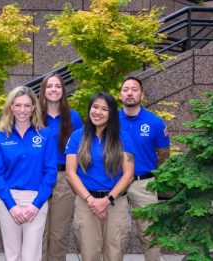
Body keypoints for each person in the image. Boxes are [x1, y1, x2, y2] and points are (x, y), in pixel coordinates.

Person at [65, 92, 135, 261]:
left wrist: (106, 200)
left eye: (104, 109)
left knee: (114, 254)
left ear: (111, 113)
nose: (98, 112)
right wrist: (91, 201)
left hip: (115, 202)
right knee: (89, 255)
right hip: (86, 203)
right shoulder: (77, 137)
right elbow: (70, 173)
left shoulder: (123, 137)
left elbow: (128, 175)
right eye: (95, 107)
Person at [0, 86, 57, 261]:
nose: (22, 110)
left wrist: (36, 204)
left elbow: (50, 173)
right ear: (11, 107)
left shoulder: (45, 135)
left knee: (31, 256)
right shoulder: (1, 136)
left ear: (34, 107)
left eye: (27, 106)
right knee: (12, 255)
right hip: (8, 200)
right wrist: (11, 205)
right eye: (18, 105)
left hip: (36, 200)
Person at [119, 77, 170, 261]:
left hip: (144, 184)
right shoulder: (111, 121)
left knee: (149, 234)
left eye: (134, 89)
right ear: (120, 94)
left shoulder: (155, 123)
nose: (130, 93)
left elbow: (164, 154)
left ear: (142, 94)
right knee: (116, 234)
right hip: (116, 184)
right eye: (126, 89)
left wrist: (152, 175)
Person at [38, 73, 83, 261]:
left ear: (63, 91)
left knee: (58, 234)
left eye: (58, 86)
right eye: (49, 86)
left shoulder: (74, 117)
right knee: (38, 232)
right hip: (38, 178)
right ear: (43, 90)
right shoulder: (35, 115)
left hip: (65, 179)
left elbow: (81, 150)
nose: (54, 89)